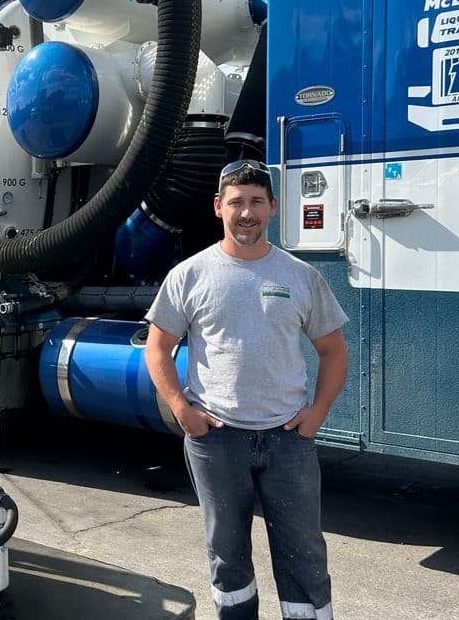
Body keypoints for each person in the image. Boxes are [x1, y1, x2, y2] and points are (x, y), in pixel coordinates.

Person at [144, 159, 349, 620]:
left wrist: (317, 413)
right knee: (227, 556)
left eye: (257, 201)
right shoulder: (190, 275)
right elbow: (158, 348)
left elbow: (334, 353)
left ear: (273, 207)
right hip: (217, 439)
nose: (246, 212)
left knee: (305, 557)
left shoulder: (301, 277)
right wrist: (182, 408)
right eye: (236, 202)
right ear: (219, 207)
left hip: (288, 440)